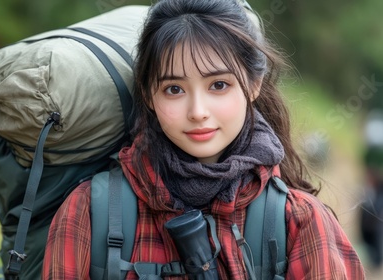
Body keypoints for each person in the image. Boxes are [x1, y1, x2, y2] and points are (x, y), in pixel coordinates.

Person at [42, 0, 365, 279]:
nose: (198, 112)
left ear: (253, 85)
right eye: (174, 89)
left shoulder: (298, 223)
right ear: (149, 95)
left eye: (218, 85)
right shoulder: (90, 212)